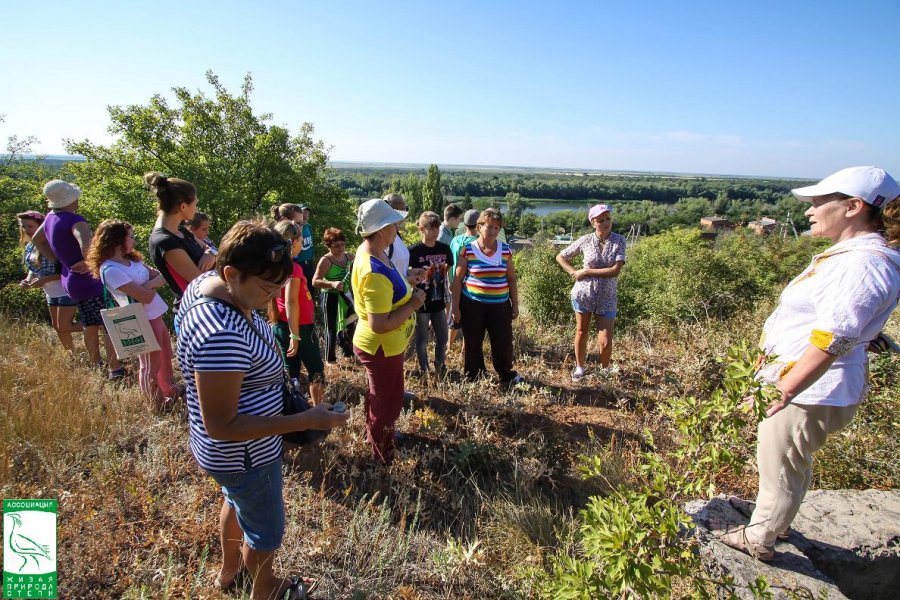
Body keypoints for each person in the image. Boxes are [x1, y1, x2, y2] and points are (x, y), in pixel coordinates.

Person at [715, 166, 900, 562]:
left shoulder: (862, 264)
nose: (809, 210)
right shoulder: (854, 257)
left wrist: (785, 388)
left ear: (853, 206)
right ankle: (773, 517)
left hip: (812, 388)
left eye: (819, 202)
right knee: (784, 457)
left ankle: (760, 537)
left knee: (783, 460)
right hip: (808, 383)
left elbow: (833, 337)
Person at [174, 220, 349, 599]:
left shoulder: (203, 287)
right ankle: (266, 589)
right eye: (267, 288)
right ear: (231, 272)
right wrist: (305, 418)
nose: (272, 298)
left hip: (224, 455)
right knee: (265, 531)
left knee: (235, 501)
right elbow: (222, 423)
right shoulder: (221, 332)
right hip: (244, 453)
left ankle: (228, 573)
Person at [352, 199, 425, 464]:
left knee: (380, 396)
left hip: (385, 346)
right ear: (382, 228)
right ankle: (384, 455)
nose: (397, 227)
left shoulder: (375, 250)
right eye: (393, 223)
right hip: (380, 346)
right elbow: (379, 323)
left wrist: (407, 281)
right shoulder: (373, 268)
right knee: (387, 402)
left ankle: (379, 438)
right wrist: (415, 303)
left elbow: (388, 292)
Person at [31, 180, 122, 377]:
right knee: (109, 322)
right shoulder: (76, 221)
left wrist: (57, 259)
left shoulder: (50, 218)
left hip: (70, 278)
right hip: (88, 279)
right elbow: (86, 248)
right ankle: (116, 368)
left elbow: (37, 240)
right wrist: (93, 261)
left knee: (89, 322)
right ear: (71, 199)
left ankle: (96, 362)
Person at [86, 219, 179, 412]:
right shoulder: (110, 269)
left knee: (164, 357)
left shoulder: (132, 260)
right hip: (140, 320)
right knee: (149, 365)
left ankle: (168, 391)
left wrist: (149, 285)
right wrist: (151, 285)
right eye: (131, 237)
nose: (134, 241)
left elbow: (161, 276)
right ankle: (156, 405)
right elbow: (145, 295)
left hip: (155, 315)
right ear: (117, 240)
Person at [450, 208, 523, 385]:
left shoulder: (505, 250)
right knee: (473, 341)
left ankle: (506, 374)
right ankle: (473, 375)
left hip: (500, 305)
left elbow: (511, 278)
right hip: (473, 305)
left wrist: (515, 305)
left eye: (497, 228)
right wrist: (455, 307)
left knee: (503, 342)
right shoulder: (468, 250)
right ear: (479, 226)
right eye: (489, 227)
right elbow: (458, 280)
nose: (493, 231)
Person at [555, 204, 626, 381]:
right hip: (583, 295)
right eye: (600, 220)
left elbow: (615, 270)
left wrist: (585, 272)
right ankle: (580, 367)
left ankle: (604, 370)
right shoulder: (585, 240)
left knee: (606, 340)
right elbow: (561, 256)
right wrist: (573, 272)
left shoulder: (619, 241)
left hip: (607, 297)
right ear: (593, 222)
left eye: (608, 218)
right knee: (581, 331)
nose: (605, 222)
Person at [269, 221, 325, 406]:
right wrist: (295, 335)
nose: (303, 243)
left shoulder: (274, 264)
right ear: (292, 243)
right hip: (299, 328)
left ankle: (293, 409)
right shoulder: (294, 268)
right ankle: (319, 410)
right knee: (316, 370)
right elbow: (290, 301)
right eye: (301, 240)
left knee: (290, 372)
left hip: (282, 326)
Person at [146, 173, 216, 305]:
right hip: (201, 308)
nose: (196, 209)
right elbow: (199, 281)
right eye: (195, 204)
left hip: (211, 300)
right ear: (183, 206)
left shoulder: (181, 230)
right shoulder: (164, 241)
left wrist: (210, 253)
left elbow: (209, 248)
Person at [17, 210, 82, 351]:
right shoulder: (30, 247)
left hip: (64, 289)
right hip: (50, 292)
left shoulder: (52, 246)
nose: (26, 230)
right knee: (57, 327)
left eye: (30, 226)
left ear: (40, 227)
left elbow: (66, 271)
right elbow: (33, 269)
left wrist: (43, 280)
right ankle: (71, 355)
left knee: (65, 326)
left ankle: (99, 325)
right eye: (23, 226)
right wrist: (28, 280)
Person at [408, 212, 453, 376]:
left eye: (437, 228)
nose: (434, 232)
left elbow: (449, 264)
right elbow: (405, 273)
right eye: (430, 228)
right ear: (421, 228)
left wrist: (439, 276)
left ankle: (440, 365)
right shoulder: (413, 251)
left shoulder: (443, 247)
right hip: (421, 301)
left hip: (438, 298)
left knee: (442, 337)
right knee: (422, 339)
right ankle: (424, 368)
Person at [312, 227, 357, 364]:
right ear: (329, 246)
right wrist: (332, 284)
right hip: (330, 297)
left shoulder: (350, 257)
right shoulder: (326, 260)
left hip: (347, 296)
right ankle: (330, 359)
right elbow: (315, 281)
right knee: (331, 327)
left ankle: (349, 354)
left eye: (343, 244)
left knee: (350, 324)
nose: (340, 248)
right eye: (336, 246)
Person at [447, 209, 479, 345]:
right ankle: (464, 351)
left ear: (464, 225)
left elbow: (448, 263)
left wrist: (449, 281)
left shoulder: (455, 240)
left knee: (454, 319)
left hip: (454, 284)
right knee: (470, 321)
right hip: (469, 287)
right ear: (479, 225)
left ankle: (449, 346)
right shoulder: (478, 243)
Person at [382, 193, 411, 279]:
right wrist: (407, 280)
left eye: (405, 209)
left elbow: (397, 268)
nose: (404, 213)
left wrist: (409, 272)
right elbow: (381, 274)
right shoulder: (382, 238)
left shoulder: (395, 234)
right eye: (403, 209)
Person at [291, 204, 316, 298]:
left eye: (307, 213)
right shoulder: (293, 229)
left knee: (311, 290)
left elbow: (311, 245)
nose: (305, 215)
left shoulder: (309, 227)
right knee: (301, 292)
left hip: (309, 264)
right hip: (298, 264)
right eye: (303, 212)